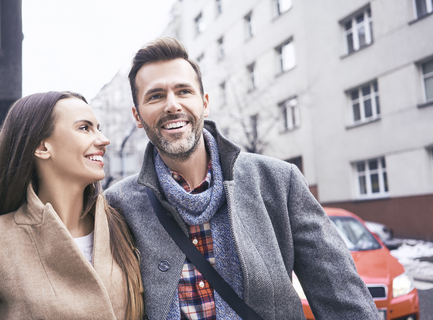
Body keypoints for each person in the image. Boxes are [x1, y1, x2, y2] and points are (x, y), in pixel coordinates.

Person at [105, 37, 380, 320]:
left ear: (205, 103)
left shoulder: (278, 182)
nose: (172, 105)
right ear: (137, 116)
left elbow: (341, 297)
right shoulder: (119, 205)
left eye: (184, 91)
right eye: (155, 96)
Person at [0, 91, 144, 319]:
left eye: (98, 127)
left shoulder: (126, 226)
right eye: (84, 128)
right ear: (42, 147)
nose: (104, 140)